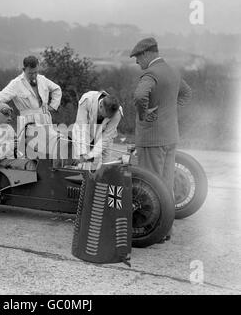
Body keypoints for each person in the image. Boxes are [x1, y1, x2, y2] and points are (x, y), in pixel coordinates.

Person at [130, 37, 192, 240]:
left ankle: (155, 231)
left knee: (151, 187)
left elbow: (140, 96)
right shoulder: (172, 71)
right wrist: (169, 111)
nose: (137, 62)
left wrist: (144, 114)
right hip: (170, 136)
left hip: (152, 140)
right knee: (166, 184)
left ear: (147, 54)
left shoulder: (150, 74)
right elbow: (186, 93)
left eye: (138, 57)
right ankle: (166, 230)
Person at [0, 55, 62, 126]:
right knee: (29, 140)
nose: (33, 76)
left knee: (48, 140)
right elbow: (2, 95)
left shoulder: (42, 79)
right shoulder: (16, 83)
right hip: (27, 121)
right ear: (24, 69)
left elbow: (57, 89)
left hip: (46, 119)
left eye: (35, 72)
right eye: (30, 73)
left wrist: (53, 105)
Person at [0, 102, 37, 170]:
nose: (10, 118)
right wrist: (9, 147)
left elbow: (16, 143)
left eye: (10, 116)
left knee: (41, 158)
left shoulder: (8, 127)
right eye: (6, 115)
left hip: (15, 155)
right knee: (31, 164)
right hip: (1, 161)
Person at [72, 91, 123, 168]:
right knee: (82, 164)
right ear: (101, 106)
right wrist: (82, 153)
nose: (106, 118)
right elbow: (81, 129)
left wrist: (92, 155)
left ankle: (103, 178)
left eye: (109, 117)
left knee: (106, 164)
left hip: (104, 135)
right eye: (105, 115)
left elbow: (106, 137)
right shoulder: (87, 100)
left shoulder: (117, 112)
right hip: (85, 132)